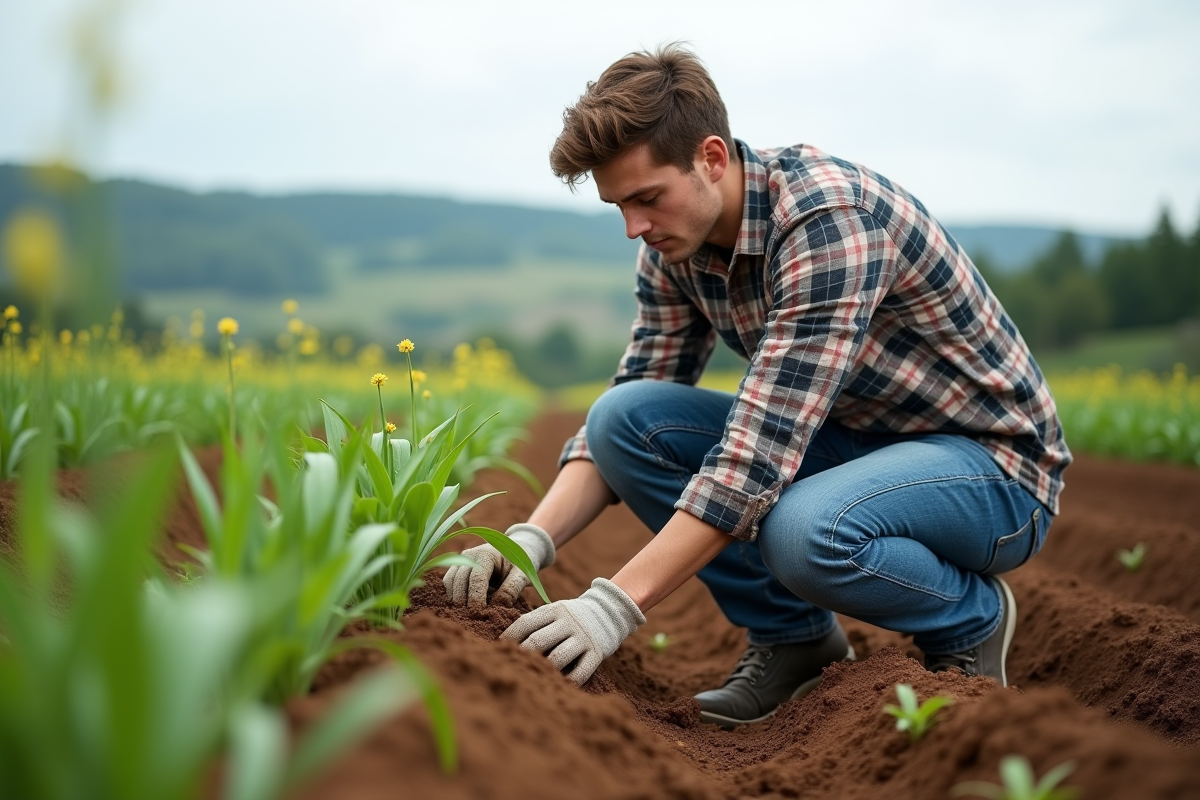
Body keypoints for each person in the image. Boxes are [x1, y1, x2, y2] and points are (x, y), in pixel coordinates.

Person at [441, 44, 1071, 729]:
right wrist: (530, 540)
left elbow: (754, 461)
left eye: (648, 198)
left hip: (992, 472)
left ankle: (968, 619)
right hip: (856, 444)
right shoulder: (675, 247)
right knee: (624, 419)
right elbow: (625, 407)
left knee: (805, 531)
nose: (635, 228)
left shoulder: (829, 222)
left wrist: (612, 606)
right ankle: (795, 639)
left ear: (712, 158)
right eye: (619, 206)